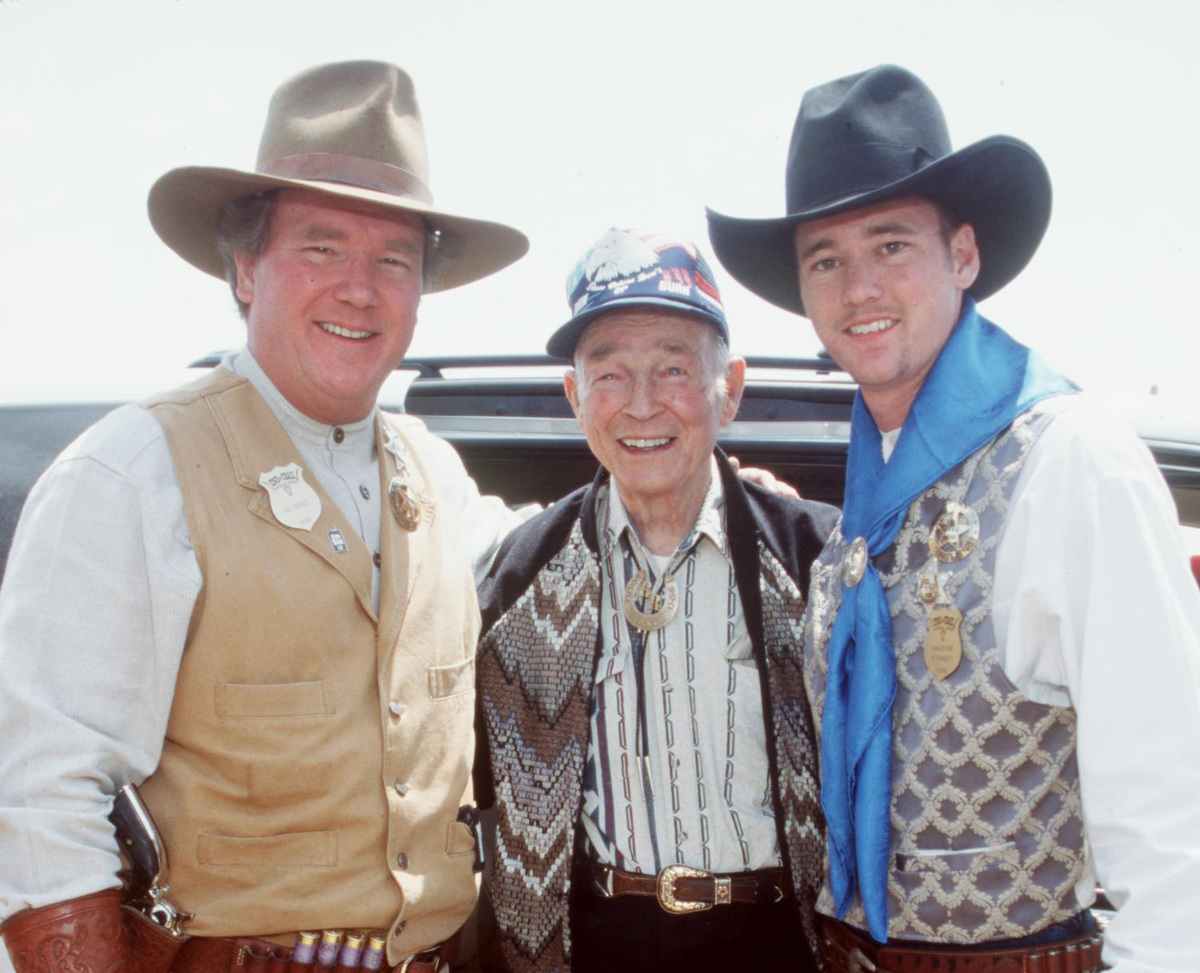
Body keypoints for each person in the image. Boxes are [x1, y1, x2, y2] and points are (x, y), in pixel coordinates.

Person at [0, 61, 530, 973]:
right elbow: (40, 800)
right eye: (322, 248)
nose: (360, 289)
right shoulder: (132, 473)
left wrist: (713, 489)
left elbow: (556, 548)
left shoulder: (436, 479)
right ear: (245, 267)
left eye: (394, 260)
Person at [706, 64, 1200, 972]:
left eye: (891, 245)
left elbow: (1176, 827)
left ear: (963, 255)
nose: (858, 288)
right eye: (826, 259)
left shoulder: (1071, 461)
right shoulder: (863, 505)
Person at [472, 227, 839, 973]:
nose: (641, 406)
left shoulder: (817, 559)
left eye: (673, 368)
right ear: (576, 397)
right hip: (592, 943)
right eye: (609, 376)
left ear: (728, 387)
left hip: (778, 944)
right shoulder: (519, 574)